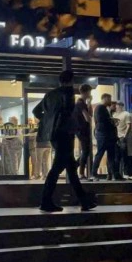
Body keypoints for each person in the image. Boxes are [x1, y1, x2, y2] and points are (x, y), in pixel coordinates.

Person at [33, 71, 96, 212]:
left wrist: (49, 121)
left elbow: (36, 111)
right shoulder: (68, 93)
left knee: (71, 170)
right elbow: (67, 114)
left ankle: (84, 201)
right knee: (57, 169)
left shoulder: (50, 94)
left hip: (55, 135)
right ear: (71, 81)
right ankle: (45, 201)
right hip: (65, 135)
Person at [91, 94, 122, 181]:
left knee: (111, 155)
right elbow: (101, 121)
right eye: (109, 99)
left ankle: (113, 174)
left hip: (108, 136)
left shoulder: (105, 108)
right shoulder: (100, 108)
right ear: (104, 98)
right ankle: (93, 174)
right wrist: (111, 120)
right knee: (100, 154)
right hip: (103, 135)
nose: (110, 101)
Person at [73, 84, 93, 180]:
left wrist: (89, 103)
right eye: (89, 92)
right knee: (85, 151)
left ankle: (75, 167)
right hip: (82, 130)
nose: (90, 94)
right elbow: (88, 118)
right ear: (86, 92)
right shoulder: (80, 103)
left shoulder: (82, 103)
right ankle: (80, 172)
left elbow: (90, 114)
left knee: (86, 151)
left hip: (81, 130)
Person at [113, 102, 132, 177]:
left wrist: (125, 135)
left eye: (118, 105)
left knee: (124, 156)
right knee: (116, 156)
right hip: (115, 137)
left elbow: (129, 125)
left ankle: (125, 173)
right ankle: (117, 173)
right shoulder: (114, 114)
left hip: (122, 137)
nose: (116, 107)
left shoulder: (126, 114)